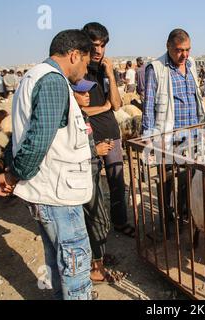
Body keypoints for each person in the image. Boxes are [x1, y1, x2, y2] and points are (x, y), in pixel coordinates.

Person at [0, 29, 95, 300]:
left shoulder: (33, 76)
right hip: (58, 193)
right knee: (74, 263)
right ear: (74, 55)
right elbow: (38, 139)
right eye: (85, 61)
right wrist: (13, 177)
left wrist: (10, 172)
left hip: (48, 189)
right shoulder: (53, 82)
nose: (85, 70)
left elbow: (22, 135)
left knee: (58, 261)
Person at [142, 28, 205, 237]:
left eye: (187, 49)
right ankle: (165, 220)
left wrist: (204, 126)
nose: (184, 55)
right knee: (166, 180)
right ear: (168, 47)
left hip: (193, 136)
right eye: (179, 50)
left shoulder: (191, 65)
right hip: (169, 137)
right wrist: (149, 138)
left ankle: (184, 215)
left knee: (189, 178)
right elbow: (149, 104)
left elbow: (196, 98)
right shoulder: (157, 68)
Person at [82, 22, 132, 238]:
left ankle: (120, 223)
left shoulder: (103, 70)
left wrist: (111, 75)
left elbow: (118, 104)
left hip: (111, 134)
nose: (99, 51)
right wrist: (103, 107)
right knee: (91, 188)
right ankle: (96, 232)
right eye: (95, 45)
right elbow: (77, 110)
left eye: (102, 46)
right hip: (88, 139)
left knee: (117, 183)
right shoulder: (78, 72)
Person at [71, 79, 116, 284]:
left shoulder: (82, 114)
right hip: (83, 174)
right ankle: (96, 268)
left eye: (88, 91)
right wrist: (94, 151)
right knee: (99, 220)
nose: (87, 95)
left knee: (96, 219)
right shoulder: (70, 117)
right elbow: (66, 148)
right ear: (71, 94)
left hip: (91, 171)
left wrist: (95, 146)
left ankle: (96, 260)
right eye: (81, 92)